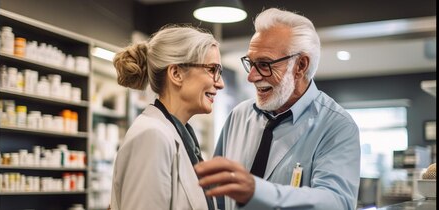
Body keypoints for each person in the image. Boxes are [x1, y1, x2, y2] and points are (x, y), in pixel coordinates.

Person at [194, 8, 361, 210]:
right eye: (251, 63)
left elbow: (337, 203)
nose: (252, 76)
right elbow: (217, 196)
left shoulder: (336, 126)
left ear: (300, 65)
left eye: (264, 64)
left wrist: (256, 190)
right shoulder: (238, 116)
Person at [110, 25, 224, 210]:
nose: (220, 83)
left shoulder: (178, 135)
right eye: (212, 69)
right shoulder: (152, 136)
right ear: (176, 74)